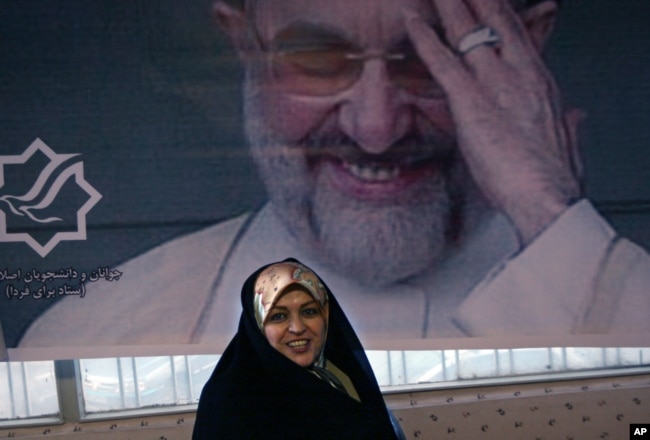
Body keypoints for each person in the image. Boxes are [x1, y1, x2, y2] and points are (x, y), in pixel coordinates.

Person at [18, 0, 650, 352]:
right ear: (242, 43)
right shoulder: (91, 336)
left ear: (527, 46)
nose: (376, 128)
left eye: (429, 60)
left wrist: (554, 223)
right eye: (317, 57)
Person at [192, 259, 401, 439]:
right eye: (278, 316)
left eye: (309, 311)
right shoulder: (230, 400)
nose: (298, 328)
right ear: (257, 325)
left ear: (326, 315)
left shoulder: (339, 374)